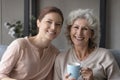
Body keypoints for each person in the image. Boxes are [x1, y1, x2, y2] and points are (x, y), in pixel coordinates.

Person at [54, 9, 120, 80]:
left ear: (92, 33)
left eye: (85, 29)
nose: (79, 33)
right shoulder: (61, 59)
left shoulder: (105, 56)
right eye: (76, 27)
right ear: (69, 31)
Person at [0, 6, 64, 80]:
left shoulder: (55, 53)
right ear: (38, 23)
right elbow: (1, 74)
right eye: (49, 22)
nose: (53, 27)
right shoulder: (19, 45)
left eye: (58, 24)